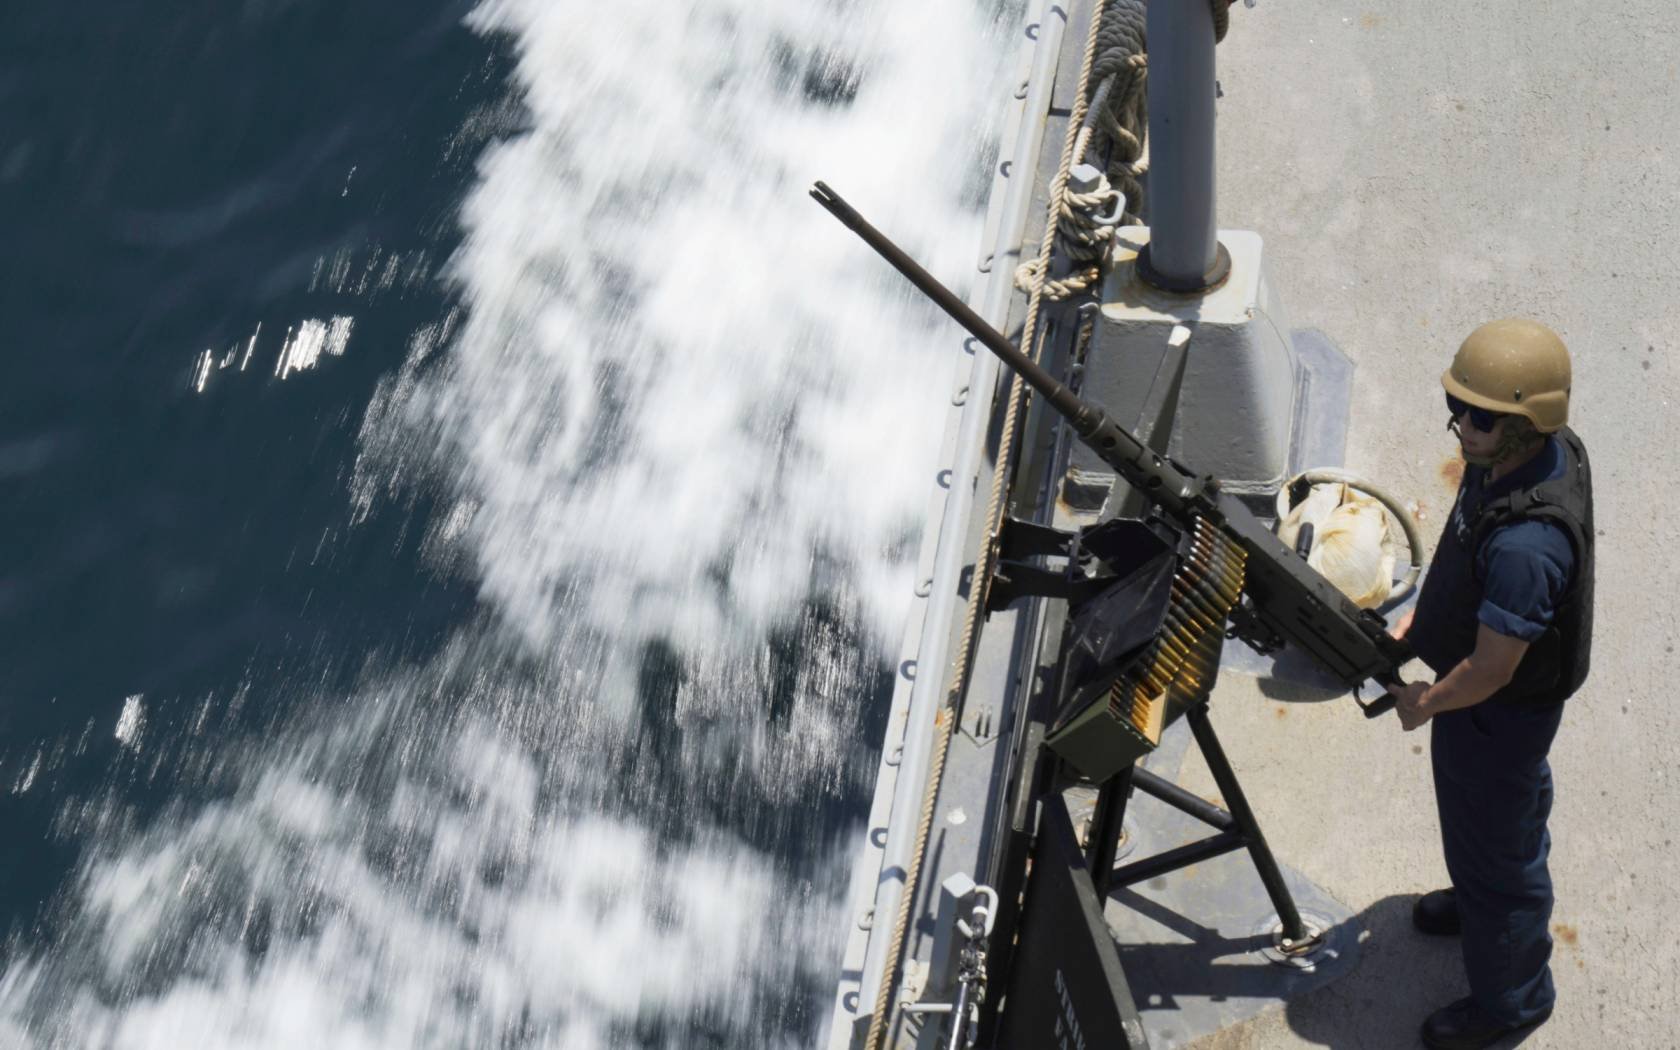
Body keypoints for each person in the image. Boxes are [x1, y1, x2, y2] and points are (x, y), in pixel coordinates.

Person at [1382, 318, 1595, 1050]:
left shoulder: (1530, 548)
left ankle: (1514, 1002)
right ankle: (1481, 900)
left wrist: (1425, 703)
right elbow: (1465, 534)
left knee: (1499, 856)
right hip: (1490, 708)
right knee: (1494, 824)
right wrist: (1425, 618)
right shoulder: (1511, 457)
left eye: (1481, 417)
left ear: (1527, 425)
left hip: (1494, 711)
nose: (1462, 428)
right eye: (1459, 408)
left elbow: (1493, 668)